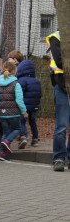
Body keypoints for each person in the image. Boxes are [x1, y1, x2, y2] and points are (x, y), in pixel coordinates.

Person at [0, 61, 27, 162]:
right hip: (13, 113)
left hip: (2, 114)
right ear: (14, 71)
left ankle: (3, 154)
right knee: (17, 129)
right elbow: (19, 100)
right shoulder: (16, 84)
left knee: (5, 132)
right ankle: (7, 141)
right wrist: (24, 111)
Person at [46, 31, 70, 172]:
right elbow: (60, 61)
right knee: (61, 125)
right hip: (62, 86)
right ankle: (59, 158)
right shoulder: (57, 37)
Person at [16, 60, 42, 148]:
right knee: (33, 122)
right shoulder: (37, 81)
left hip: (24, 106)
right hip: (34, 106)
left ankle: (23, 137)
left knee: (22, 121)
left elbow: (20, 93)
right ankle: (35, 140)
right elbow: (40, 94)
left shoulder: (21, 81)